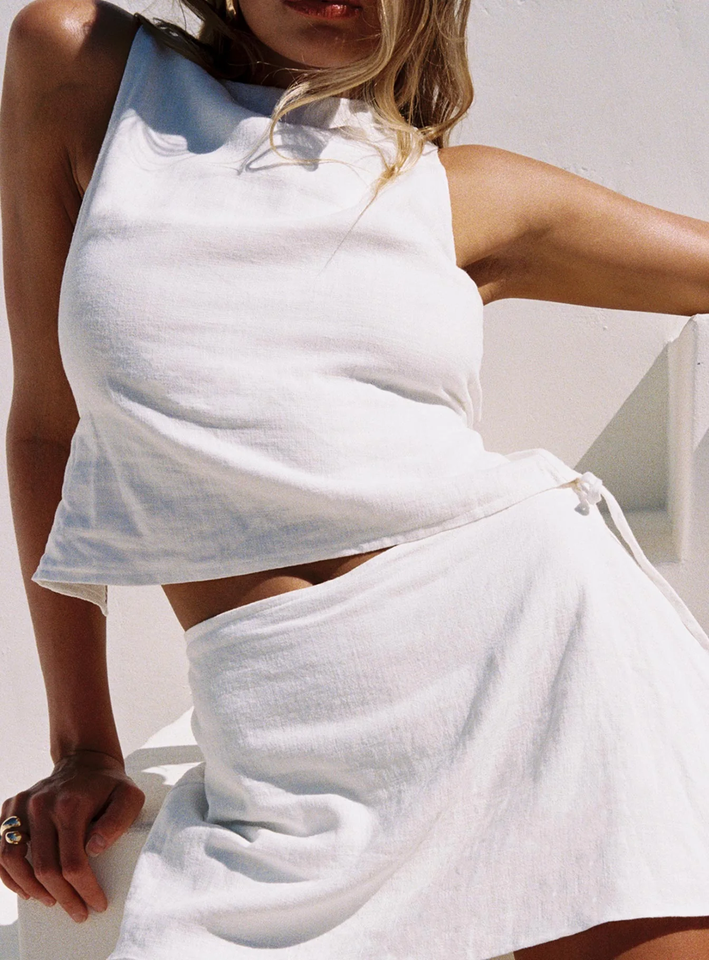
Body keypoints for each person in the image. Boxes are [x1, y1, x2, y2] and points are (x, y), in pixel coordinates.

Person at [1, 0, 709, 956]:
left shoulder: (459, 190)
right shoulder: (84, 67)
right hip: (282, 730)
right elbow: (48, 430)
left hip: (538, 653)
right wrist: (83, 743)